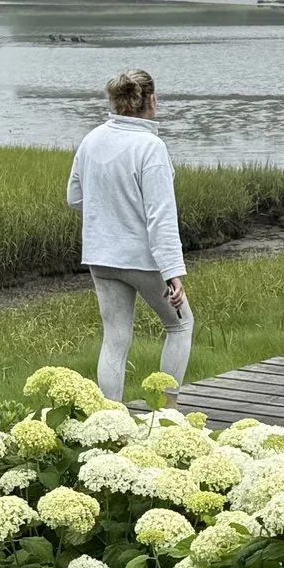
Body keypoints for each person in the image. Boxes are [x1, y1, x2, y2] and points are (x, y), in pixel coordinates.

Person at [69, 68, 194, 402]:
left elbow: (74, 197)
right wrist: (172, 272)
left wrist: (111, 210)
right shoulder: (150, 146)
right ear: (150, 101)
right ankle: (167, 413)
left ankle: (110, 422)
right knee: (180, 326)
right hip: (142, 259)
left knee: (115, 338)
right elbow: (161, 216)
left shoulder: (91, 139)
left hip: (100, 256)